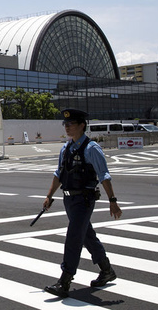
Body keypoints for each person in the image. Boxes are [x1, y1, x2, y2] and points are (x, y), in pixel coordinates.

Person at [43, 108, 122, 298]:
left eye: (70, 124)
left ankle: (65, 281)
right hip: (69, 199)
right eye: (65, 124)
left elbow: (104, 175)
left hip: (84, 200)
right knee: (87, 235)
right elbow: (58, 174)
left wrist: (113, 200)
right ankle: (106, 270)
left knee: (73, 237)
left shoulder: (91, 148)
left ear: (81, 125)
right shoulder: (66, 148)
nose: (67, 127)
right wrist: (49, 196)